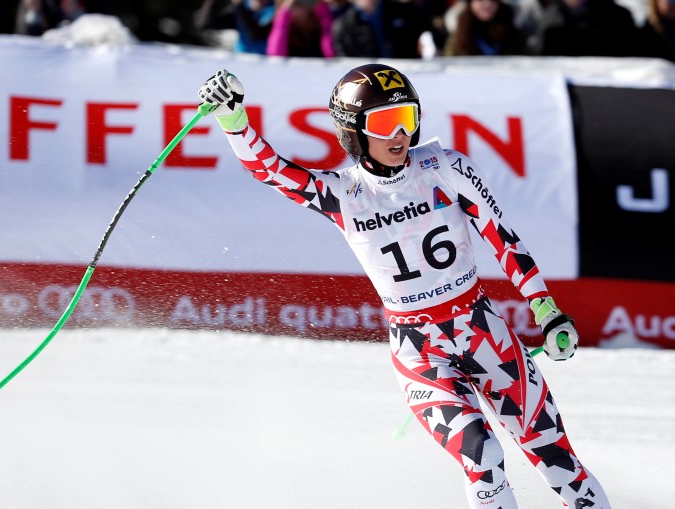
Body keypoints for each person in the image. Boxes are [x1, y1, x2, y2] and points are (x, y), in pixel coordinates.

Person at [197, 65, 612, 508]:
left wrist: (546, 312)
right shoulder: (344, 193)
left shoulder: (445, 167)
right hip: (421, 351)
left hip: (485, 332)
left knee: (556, 459)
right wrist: (233, 120)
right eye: (381, 122)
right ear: (353, 131)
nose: (398, 133)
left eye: (407, 118)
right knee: (484, 457)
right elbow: (272, 171)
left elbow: (503, 239)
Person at [444, 0, 527, 56]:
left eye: (492, 0)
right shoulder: (458, 36)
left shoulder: (512, 34)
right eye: (480, 0)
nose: (487, 4)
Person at [266, 0, 336, 57]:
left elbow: (331, 54)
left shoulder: (320, 21)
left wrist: (322, 11)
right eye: (296, 3)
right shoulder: (282, 24)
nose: (301, 5)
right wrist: (283, 15)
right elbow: (275, 58)